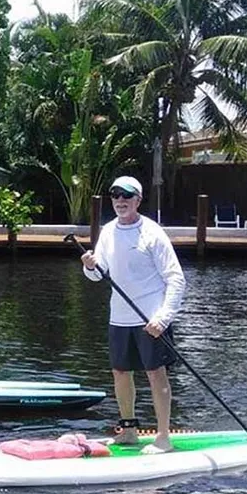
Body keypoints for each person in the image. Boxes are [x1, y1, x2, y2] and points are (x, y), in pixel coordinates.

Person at [80, 176, 185, 454]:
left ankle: (163, 437)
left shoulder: (152, 233)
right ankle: (128, 431)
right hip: (120, 317)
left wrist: (163, 318)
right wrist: (89, 266)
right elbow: (97, 275)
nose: (120, 201)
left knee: (155, 374)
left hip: (150, 318)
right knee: (120, 373)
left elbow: (176, 279)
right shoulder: (108, 231)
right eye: (116, 196)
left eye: (127, 196)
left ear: (138, 200)